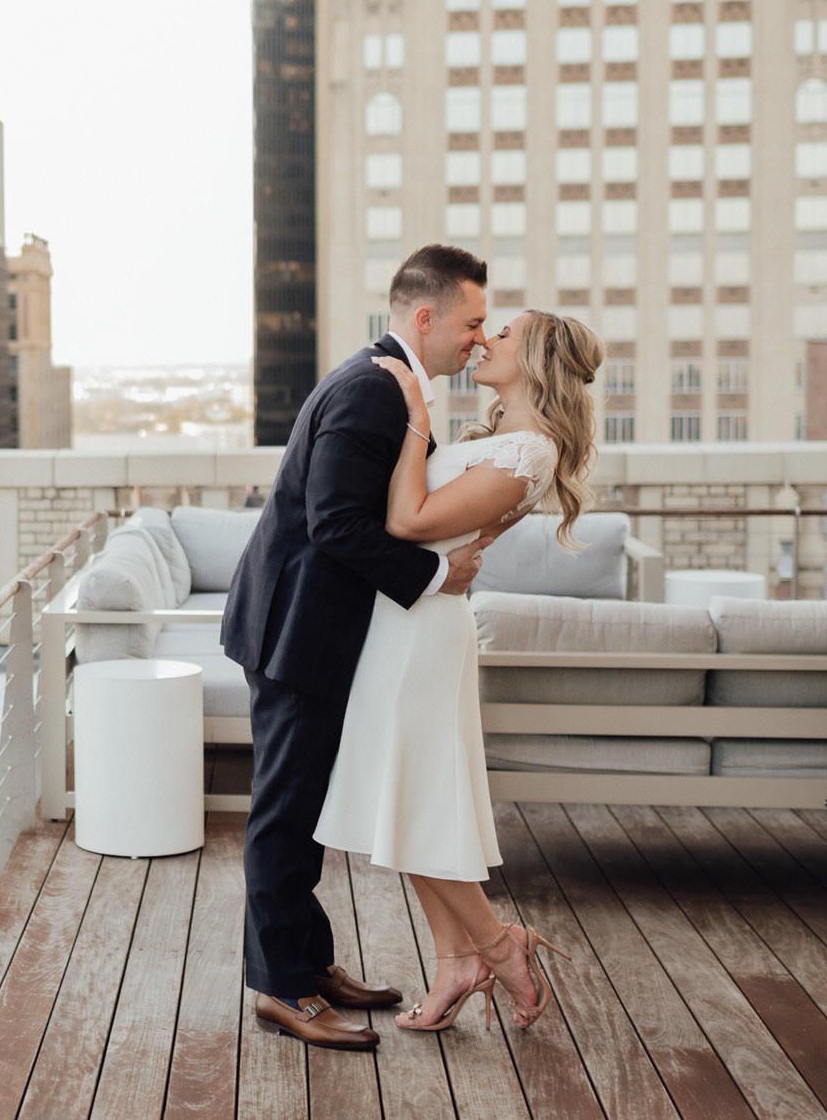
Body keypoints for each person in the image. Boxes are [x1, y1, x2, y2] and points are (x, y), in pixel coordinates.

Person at [219, 244, 494, 1051]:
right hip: (296, 629)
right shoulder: (375, 391)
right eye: (472, 322)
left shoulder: (387, 384)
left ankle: (307, 961)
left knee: (303, 811)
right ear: (424, 316)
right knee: (284, 814)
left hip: (308, 624)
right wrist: (438, 573)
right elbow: (337, 523)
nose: (479, 339)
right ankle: (281, 987)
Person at [314, 305, 604, 1033]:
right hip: (401, 622)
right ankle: (457, 961)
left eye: (500, 333)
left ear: (534, 356)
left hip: (424, 637)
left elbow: (407, 521)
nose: (482, 339)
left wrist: (415, 414)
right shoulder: (499, 437)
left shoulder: (529, 452)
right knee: (407, 801)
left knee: (415, 803)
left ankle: (500, 945)